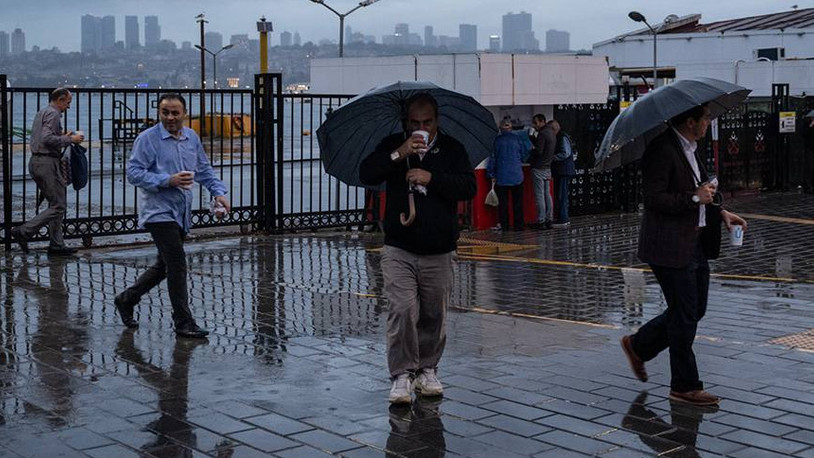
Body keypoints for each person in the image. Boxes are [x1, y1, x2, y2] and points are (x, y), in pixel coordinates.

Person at [620, 104, 748, 406]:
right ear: (690, 121)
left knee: (693, 310)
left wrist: (721, 214)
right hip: (669, 246)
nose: (708, 125)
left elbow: (704, 193)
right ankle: (685, 385)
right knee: (685, 315)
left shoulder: (691, 148)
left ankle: (639, 345)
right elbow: (654, 199)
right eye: (705, 120)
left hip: (695, 242)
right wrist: (694, 198)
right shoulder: (662, 149)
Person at [359, 93, 476, 404]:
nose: (420, 128)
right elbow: (367, 172)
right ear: (406, 122)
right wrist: (399, 154)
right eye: (414, 123)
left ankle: (427, 369)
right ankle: (401, 374)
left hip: (439, 247)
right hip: (400, 247)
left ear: (436, 122)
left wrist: (431, 177)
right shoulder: (394, 145)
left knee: (433, 313)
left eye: (426, 123)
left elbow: (468, 187)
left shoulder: (452, 149)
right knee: (401, 310)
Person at [114, 93, 230, 339]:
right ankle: (183, 322)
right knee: (177, 264)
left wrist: (218, 193)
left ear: (184, 114)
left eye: (175, 112)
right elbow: (134, 173)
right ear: (159, 113)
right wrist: (167, 180)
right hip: (159, 212)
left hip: (182, 212)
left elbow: (203, 169)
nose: (170, 117)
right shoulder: (147, 139)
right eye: (165, 112)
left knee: (163, 265)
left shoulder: (191, 138)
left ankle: (127, 299)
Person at [11, 88, 84, 255]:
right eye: (68, 102)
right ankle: (23, 231)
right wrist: (70, 139)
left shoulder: (43, 112)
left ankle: (57, 245)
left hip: (37, 161)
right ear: (60, 99)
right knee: (59, 205)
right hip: (46, 163)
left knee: (55, 203)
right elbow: (46, 138)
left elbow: (43, 136)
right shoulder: (54, 114)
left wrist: (62, 135)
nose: (69, 106)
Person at [488, 119, 525, 231]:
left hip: (502, 176)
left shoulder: (497, 141)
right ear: (511, 128)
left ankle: (505, 226)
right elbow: (523, 155)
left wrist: (490, 173)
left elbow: (493, 158)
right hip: (517, 176)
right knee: (517, 203)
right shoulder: (518, 139)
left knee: (503, 204)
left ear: (500, 128)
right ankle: (518, 226)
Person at [528, 113, 556, 229]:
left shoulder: (542, 134)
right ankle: (549, 219)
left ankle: (541, 221)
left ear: (542, 121)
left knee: (540, 195)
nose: (534, 125)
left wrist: (531, 146)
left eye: (535, 123)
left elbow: (539, 151)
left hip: (539, 167)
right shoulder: (552, 133)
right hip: (547, 167)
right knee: (547, 194)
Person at [549, 120, 576, 228]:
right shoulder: (561, 136)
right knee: (561, 195)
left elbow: (565, 153)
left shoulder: (561, 137)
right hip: (562, 170)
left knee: (562, 195)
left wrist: (552, 158)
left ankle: (563, 219)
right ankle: (561, 218)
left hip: (563, 170)